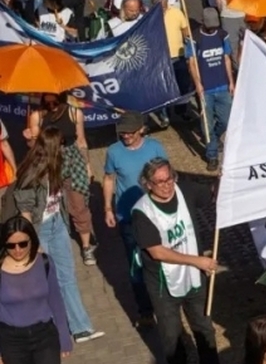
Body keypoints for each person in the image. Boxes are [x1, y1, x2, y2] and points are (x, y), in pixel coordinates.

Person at [131, 158, 227, 364]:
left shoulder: (184, 191)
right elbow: (157, 251)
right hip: (163, 284)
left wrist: (223, 177)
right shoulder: (142, 212)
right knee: (171, 336)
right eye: (159, 182)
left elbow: (212, 195)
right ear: (148, 184)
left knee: (204, 331)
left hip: (194, 280)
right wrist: (197, 261)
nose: (166, 186)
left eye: (169, 179)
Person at [13, 128, 104, 343]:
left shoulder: (57, 167)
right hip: (40, 229)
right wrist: (33, 242)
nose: (64, 149)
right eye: (61, 145)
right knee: (43, 281)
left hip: (57, 224)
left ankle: (81, 328)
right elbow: (25, 210)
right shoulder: (32, 173)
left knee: (67, 277)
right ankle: (50, 330)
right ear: (54, 147)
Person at [103, 112, 167, 328]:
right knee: (136, 265)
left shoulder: (155, 147)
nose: (126, 135)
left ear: (141, 129)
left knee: (163, 259)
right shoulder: (113, 152)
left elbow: (168, 177)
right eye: (122, 131)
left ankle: (167, 302)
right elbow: (109, 179)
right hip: (128, 217)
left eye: (130, 131)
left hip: (156, 215)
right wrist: (108, 209)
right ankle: (146, 311)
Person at [0, 216, 70, 364]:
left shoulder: (45, 262)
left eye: (23, 244)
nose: (17, 250)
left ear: (32, 240)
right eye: (11, 245)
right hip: (10, 340)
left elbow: (56, 300)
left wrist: (64, 336)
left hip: (44, 336)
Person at [26, 93, 94, 264]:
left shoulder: (74, 112)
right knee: (48, 205)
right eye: (47, 103)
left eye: (55, 102)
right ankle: (52, 242)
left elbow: (81, 140)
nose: (51, 106)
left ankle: (86, 247)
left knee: (78, 203)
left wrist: (87, 165)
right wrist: (30, 138)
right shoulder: (37, 115)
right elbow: (33, 146)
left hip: (72, 161)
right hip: (48, 162)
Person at [186, 8, 235, 172]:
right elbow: (192, 63)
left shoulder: (222, 35)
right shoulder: (195, 38)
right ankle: (212, 155)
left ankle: (214, 137)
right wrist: (198, 84)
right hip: (206, 88)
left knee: (226, 120)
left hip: (222, 86)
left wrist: (231, 82)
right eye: (210, 26)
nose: (213, 28)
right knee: (206, 124)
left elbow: (226, 58)